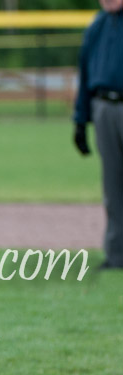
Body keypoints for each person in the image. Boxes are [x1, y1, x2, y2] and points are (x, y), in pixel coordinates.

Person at [73, 0, 123, 269]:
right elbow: (84, 74)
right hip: (103, 107)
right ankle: (117, 255)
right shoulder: (97, 26)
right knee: (112, 185)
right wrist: (80, 121)